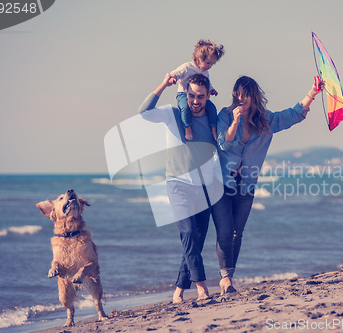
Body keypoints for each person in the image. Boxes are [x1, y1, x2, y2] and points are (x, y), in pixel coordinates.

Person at [211, 75, 325, 294]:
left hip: (246, 184)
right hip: (222, 182)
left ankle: (229, 277)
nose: (240, 99)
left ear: (254, 96)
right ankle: (225, 279)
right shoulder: (225, 115)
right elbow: (224, 144)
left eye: (245, 95)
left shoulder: (265, 120)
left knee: (237, 233)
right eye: (237, 95)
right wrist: (235, 121)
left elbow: (294, 115)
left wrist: (312, 93)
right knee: (225, 231)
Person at [138, 73, 222, 303]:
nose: (196, 101)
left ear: (207, 96)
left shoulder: (213, 121)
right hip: (178, 185)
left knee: (196, 241)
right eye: (192, 95)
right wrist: (164, 84)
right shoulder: (173, 114)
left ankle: (178, 290)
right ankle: (202, 288)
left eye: (201, 97)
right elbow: (143, 112)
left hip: (205, 189)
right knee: (187, 235)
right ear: (186, 94)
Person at [170, 39, 225, 141]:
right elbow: (176, 73)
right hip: (183, 94)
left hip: (199, 96)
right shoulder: (187, 67)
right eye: (208, 63)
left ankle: (213, 128)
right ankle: (187, 128)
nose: (209, 66)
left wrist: (212, 90)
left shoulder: (205, 72)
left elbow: (208, 83)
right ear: (199, 58)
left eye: (211, 64)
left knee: (212, 108)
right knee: (185, 108)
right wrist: (173, 78)